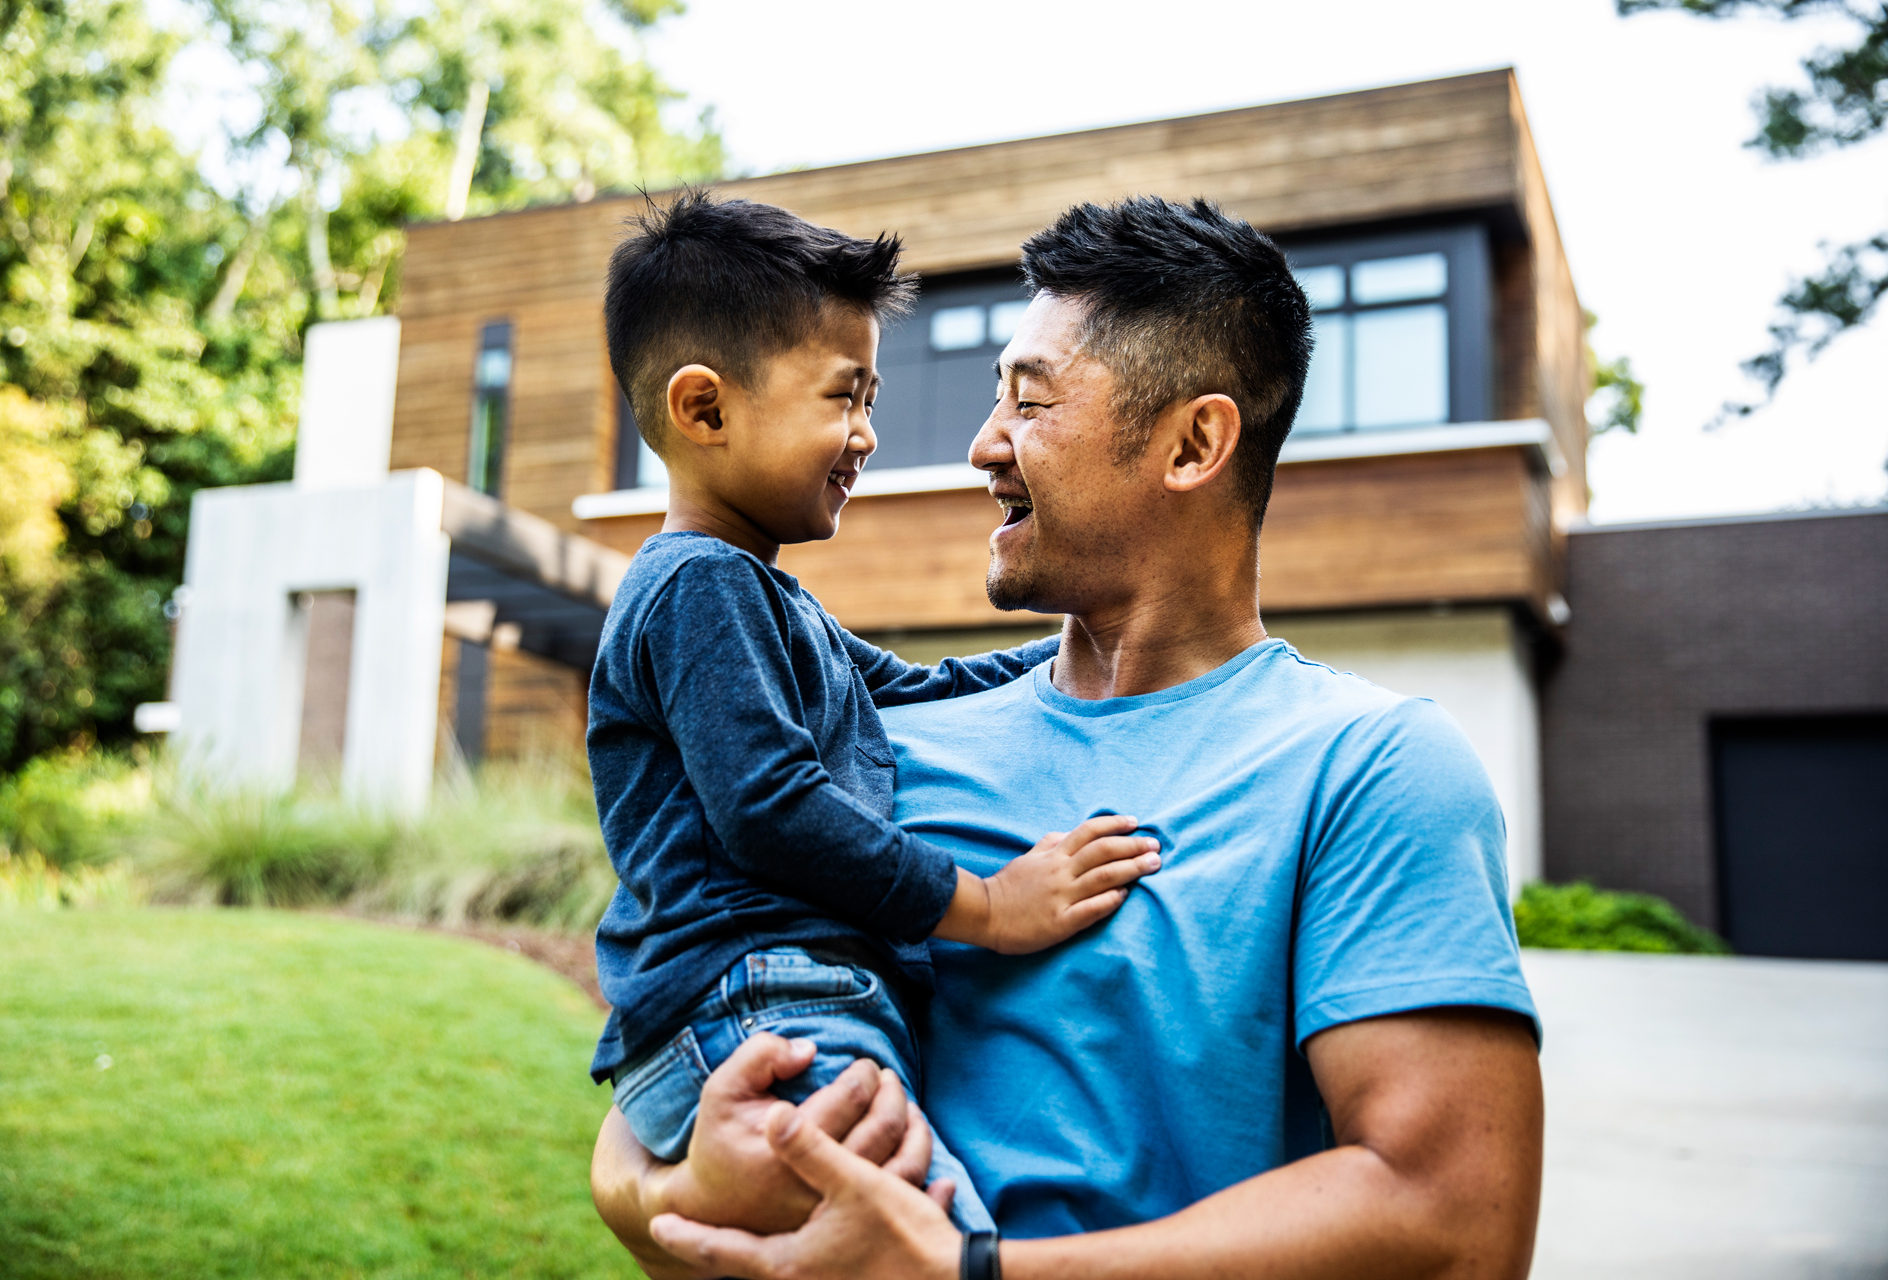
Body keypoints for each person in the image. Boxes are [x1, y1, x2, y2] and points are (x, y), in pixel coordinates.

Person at [589, 196, 1546, 1280]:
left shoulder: (1371, 769)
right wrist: (670, 1189)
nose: (980, 443)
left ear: (1194, 443)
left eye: (1028, 403)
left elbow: (1458, 1219)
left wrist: (972, 1272)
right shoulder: (877, 752)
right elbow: (683, 1026)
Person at [587, 192, 1164, 1235]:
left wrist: (1094, 633)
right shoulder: (697, 589)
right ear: (704, 409)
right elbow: (771, 806)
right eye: (842, 397)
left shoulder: (760, 597)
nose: (867, 434)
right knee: (950, 1249)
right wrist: (987, 906)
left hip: (786, 1004)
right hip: (763, 1009)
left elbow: (909, 688)